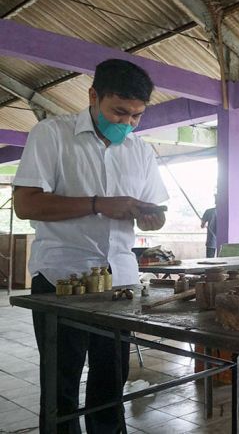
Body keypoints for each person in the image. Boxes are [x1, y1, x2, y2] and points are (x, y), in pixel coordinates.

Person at [13, 59, 168, 433]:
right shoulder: (52, 134)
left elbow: (156, 210)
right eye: (119, 112)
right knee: (61, 383)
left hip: (120, 284)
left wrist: (151, 217)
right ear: (93, 96)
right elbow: (26, 204)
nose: (127, 123)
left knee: (110, 381)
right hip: (62, 279)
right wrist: (98, 203)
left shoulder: (140, 151)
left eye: (136, 116)